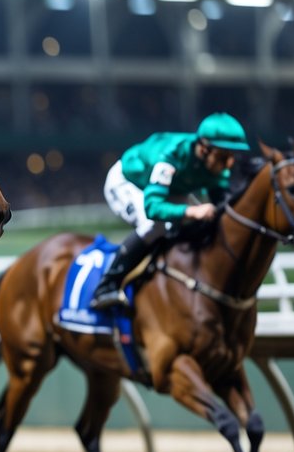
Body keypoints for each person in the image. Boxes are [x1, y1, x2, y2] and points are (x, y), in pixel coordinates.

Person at [89, 112, 250, 310]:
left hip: (171, 188)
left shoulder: (216, 166)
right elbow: (152, 208)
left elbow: (222, 209)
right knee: (154, 226)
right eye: (224, 156)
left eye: (232, 156)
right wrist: (191, 212)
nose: (229, 164)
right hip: (130, 183)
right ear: (204, 148)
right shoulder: (170, 156)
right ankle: (106, 286)